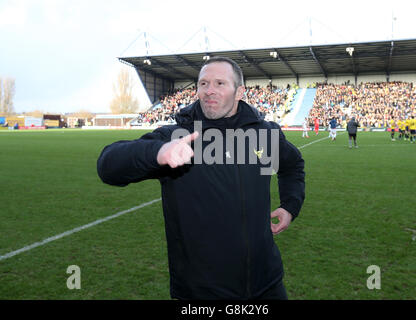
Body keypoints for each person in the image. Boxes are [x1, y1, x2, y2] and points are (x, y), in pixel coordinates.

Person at [97, 56, 306, 300]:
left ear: (239, 92)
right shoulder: (177, 136)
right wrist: (157, 152)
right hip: (203, 292)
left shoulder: (264, 134)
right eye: (203, 84)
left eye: (219, 83)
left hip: (267, 284)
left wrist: (290, 206)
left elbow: (292, 165)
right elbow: (108, 165)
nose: (209, 91)